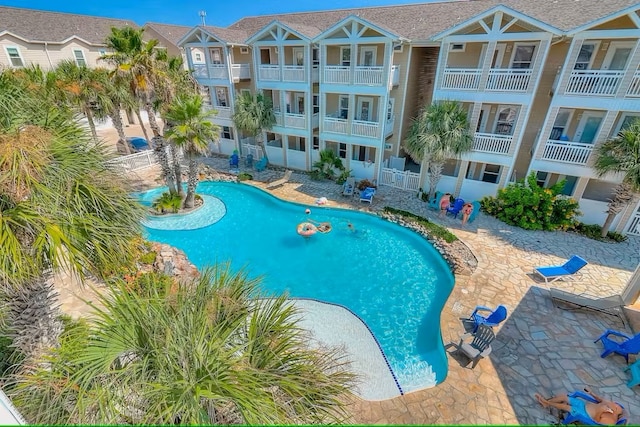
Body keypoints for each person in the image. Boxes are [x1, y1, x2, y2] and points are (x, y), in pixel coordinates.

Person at [535, 388, 624, 425]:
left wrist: (600, 411)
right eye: (616, 404)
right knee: (564, 397)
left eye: (616, 407)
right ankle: (547, 402)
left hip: (585, 414)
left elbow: (596, 422)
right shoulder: (609, 404)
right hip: (584, 405)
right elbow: (599, 400)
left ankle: (546, 403)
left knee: (565, 407)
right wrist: (591, 393)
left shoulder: (611, 420)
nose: (614, 404)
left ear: (615, 412)